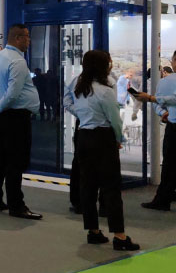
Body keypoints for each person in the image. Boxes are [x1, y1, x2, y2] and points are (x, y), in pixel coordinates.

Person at [65, 50, 139, 250]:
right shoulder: (105, 91)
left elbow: (67, 102)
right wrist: (119, 138)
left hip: (83, 136)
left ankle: (94, 231)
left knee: (88, 186)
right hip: (103, 138)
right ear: (102, 66)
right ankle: (120, 236)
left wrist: (82, 114)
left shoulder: (79, 87)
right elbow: (114, 119)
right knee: (111, 187)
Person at [0, 23, 42, 220]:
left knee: (0, 160)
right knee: (16, 162)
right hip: (16, 117)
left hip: (4, 117)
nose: (29, 40)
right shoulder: (17, 61)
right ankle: (17, 205)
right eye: (26, 36)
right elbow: (13, 94)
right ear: (17, 38)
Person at [136, 51, 176, 211]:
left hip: (174, 128)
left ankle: (163, 199)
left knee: (169, 164)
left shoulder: (166, 82)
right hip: (172, 124)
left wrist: (153, 100)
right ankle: (167, 195)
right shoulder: (166, 81)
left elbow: (157, 102)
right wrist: (163, 111)